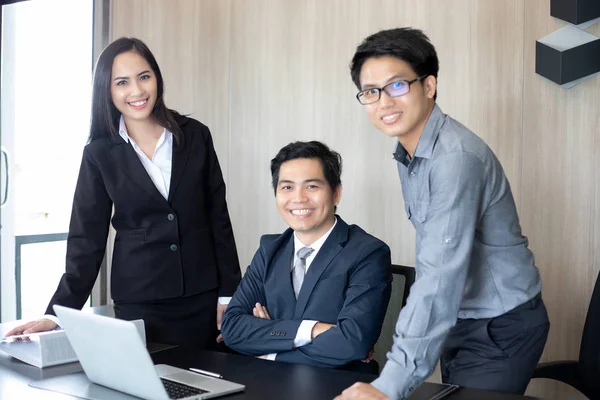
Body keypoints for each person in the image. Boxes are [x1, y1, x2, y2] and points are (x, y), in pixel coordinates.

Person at [336, 28, 549, 400]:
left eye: (397, 85)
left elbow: (439, 276)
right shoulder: (412, 154)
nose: (384, 102)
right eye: (371, 92)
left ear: (429, 85)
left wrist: (388, 385)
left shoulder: (455, 160)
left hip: (499, 325)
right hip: (461, 317)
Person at [6, 37, 241, 348]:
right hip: (140, 301)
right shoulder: (99, 153)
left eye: (144, 77)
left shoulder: (196, 135)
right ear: (108, 90)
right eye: (122, 82)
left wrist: (230, 294)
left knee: (208, 386)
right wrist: (57, 314)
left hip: (203, 296)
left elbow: (218, 219)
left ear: (157, 78)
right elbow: (86, 239)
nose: (137, 91)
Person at [220, 141, 392, 371]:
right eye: (287, 187)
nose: (298, 198)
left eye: (311, 186)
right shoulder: (269, 250)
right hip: (270, 386)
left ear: (336, 193)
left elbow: (352, 343)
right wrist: (314, 330)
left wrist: (269, 348)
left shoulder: (367, 253)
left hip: (339, 387)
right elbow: (231, 328)